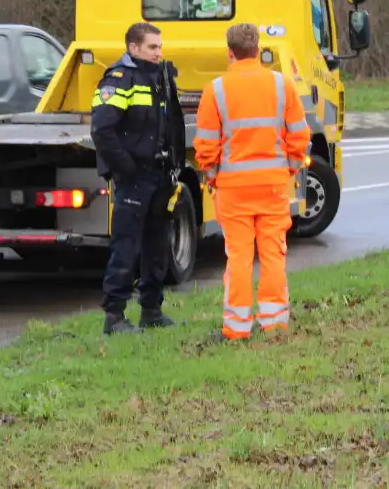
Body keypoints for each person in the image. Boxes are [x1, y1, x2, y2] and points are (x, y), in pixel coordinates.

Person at [192, 23, 311, 340]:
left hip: (232, 189)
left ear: (230, 52)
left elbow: (205, 144)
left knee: (239, 257)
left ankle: (237, 327)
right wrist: (289, 168)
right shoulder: (281, 85)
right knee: (273, 253)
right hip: (272, 185)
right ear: (258, 50)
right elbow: (300, 134)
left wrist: (213, 176)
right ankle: (273, 322)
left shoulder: (215, 90)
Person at [90, 22, 186, 335]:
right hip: (134, 177)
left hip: (159, 174)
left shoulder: (160, 77)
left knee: (157, 244)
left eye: (160, 46)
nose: (159, 52)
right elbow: (102, 130)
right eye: (152, 47)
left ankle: (151, 310)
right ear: (134, 48)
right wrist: (126, 168)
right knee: (126, 246)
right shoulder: (120, 79)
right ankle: (114, 316)